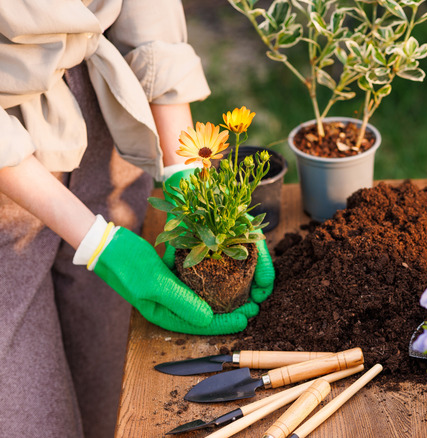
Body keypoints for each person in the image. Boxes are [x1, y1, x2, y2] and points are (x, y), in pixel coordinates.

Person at [0, 2, 273, 437]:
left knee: (112, 390)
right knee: (28, 419)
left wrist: (187, 173)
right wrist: (100, 245)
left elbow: (149, 13)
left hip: (103, 125)